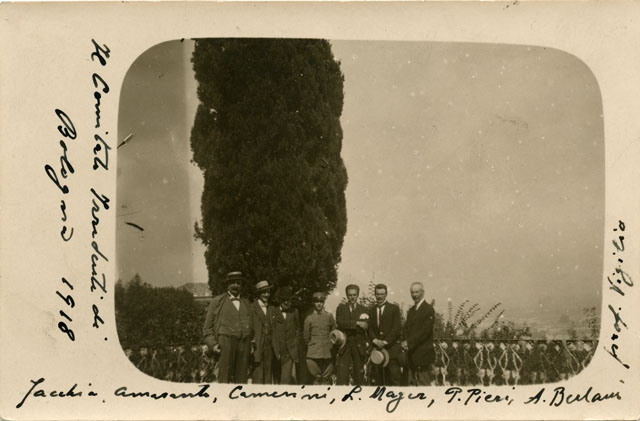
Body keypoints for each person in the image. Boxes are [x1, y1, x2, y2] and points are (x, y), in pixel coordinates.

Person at [202, 271, 253, 383]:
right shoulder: (217, 301)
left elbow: (251, 326)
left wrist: (251, 343)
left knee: (242, 380)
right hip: (225, 345)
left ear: (242, 285)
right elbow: (207, 328)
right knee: (224, 379)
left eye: (238, 283)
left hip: (243, 345)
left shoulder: (247, 303)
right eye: (232, 283)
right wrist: (213, 344)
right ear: (227, 285)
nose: (235, 285)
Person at [402, 282, 435, 386]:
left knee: (424, 385)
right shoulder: (411, 311)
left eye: (417, 292)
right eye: (412, 292)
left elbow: (424, 332)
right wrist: (404, 341)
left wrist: (408, 342)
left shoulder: (428, 309)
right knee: (411, 385)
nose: (414, 295)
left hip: (423, 355)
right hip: (411, 355)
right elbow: (406, 329)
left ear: (423, 292)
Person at [368, 283, 402, 386]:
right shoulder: (371, 311)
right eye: (377, 294)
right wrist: (375, 340)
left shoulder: (394, 309)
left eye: (382, 294)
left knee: (393, 380)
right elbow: (369, 328)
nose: (379, 296)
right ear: (375, 294)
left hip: (391, 351)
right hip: (377, 351)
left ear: (386, 294)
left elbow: (396, 329)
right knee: (378, 381)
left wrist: (385, 342)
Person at [335, 284, 368, 385]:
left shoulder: (363, 309)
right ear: (347, 296)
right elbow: (340, 323)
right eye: (350, 295)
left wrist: (349, 325)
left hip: (358, 345)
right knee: (342, 375)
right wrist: (357, 323)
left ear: (357, 295)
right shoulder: (341, 308)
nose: (352, 297)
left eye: (354, 295)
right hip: (344, 345)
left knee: (359, 375)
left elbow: (365, 326)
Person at [304, 292, 336, 385]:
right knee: (316, 378)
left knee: (326, 378)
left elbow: (334, 332)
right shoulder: (309, 318)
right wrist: (312, 345)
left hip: (328, 352)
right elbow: (306, 336)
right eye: (317, 302)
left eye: (321, 302)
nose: (319, 304)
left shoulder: (329, 316)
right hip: (314, 353)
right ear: (313, 303)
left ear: (324, 302)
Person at [270, 286, 300, 384]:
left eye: (288, 300)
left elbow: (298, 330)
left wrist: (294, 345)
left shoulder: (294, 312)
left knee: (285, 379)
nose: (286, 302)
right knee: (276, 378)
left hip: (289, 352)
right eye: (284, 300)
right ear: (279, 300)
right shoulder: (273, 312)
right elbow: (272, 332)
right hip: (277, 351)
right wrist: (276, 350)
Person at [251, 280, 276, 384]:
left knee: (268, 375)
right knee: (258, 375)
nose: (266, 295)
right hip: (257, 346)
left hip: (269, 346)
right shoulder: (252, 308)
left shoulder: (271, 308)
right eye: (263, 292)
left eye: (268, 292)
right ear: (258, 294)